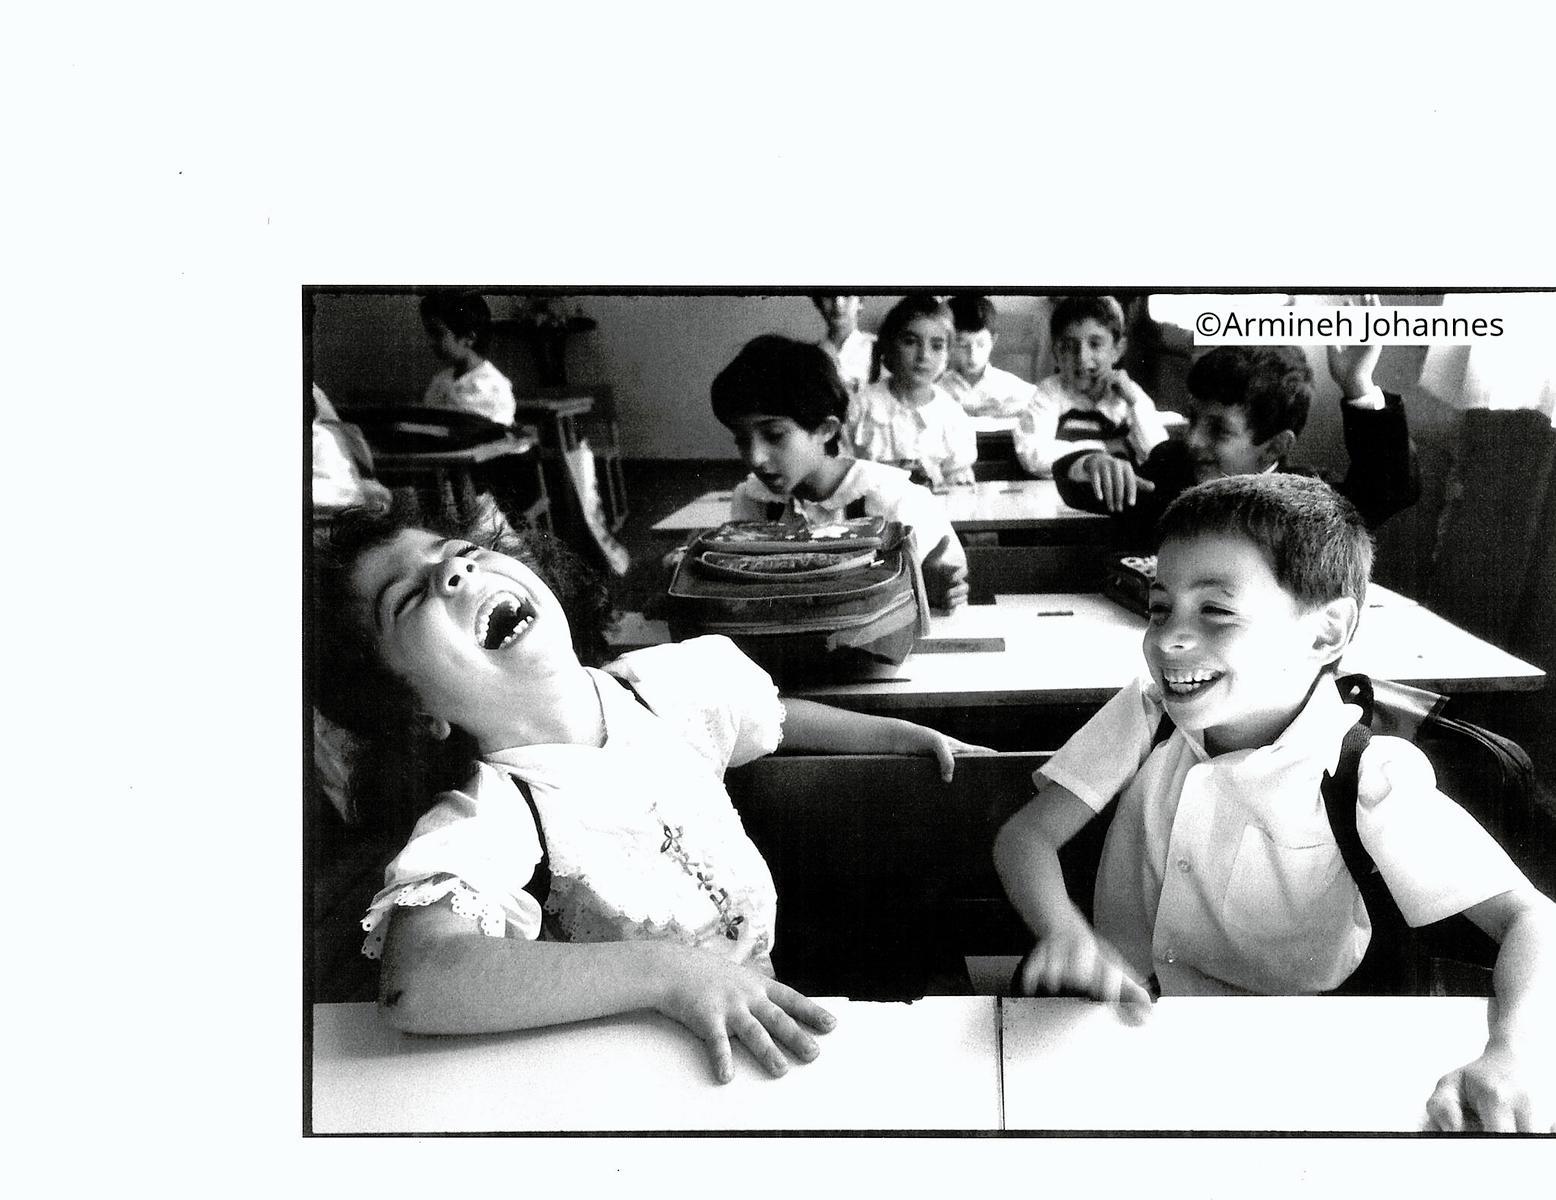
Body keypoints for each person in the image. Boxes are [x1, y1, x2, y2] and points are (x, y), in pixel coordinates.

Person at [312, 501, 988, 1082]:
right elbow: (418, 980)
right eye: (408, 599)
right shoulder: (494, 811)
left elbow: (772, 716)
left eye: (460, 551)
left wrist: (894, 734)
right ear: (413, 709)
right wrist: (667, 972)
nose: (454, 571)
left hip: (758, 1004)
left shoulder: (661, 690)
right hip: (643, 1066)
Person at [993, 474, 1556, 1132]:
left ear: (1325, 634)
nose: (1168, 640)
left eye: (1216, 611)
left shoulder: (1366, 773)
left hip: (1293, 1067)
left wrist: (1515, 1051)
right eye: (1159, 608)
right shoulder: (1147, 713)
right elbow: (1026, 839)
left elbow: (1533, 920)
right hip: (1121, 1033)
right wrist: (1064, 930)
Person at [1054, 328, 1420, 545]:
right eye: (1193, 419)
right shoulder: (1171, 468)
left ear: (1274, 447)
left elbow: (1389, 490)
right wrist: (1089, 464)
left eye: (1219, 430)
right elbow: (1081, 487)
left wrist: (1358, 386)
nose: (1194, 440)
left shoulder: (1305, 500)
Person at [712, 335, 969, 610]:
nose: (755, 457)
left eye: (774, 435)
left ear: (826, 429)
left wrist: (931, 590)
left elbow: (948, 587)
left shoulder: (896, 500)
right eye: (742, 439)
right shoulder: (753, 500)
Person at [1013, 295, 1169, 478]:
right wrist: (1103, 450)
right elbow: (1034, 456)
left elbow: (1157, 454)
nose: (1082, 357)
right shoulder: (1049, 393)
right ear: (1056, 353)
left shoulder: (1131, 395)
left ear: (1117, 350)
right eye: (1069, 346)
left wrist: (1134, 404)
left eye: (1095, 344)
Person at [849, 293, 977, 488]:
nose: (924, 355)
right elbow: (844, 475)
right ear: (890, 345)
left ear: (947, 354)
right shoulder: (861, 408)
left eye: (937, 346)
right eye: (910, 341)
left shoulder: (952, 417)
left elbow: (959, 483)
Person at [418, 290, 517, 427]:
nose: (430, 342)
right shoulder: (441, 381)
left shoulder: (492, 387)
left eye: (437, 334)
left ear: (469, 338)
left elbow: (493, 436)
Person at [941, 295, 1038, 418]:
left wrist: (1007, 412)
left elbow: (1041, 402)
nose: (973, 355)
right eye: (963, 345)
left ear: (993, 340)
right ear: (949, 343)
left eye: (981, 344)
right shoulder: (939, 387)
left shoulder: (1010, 385)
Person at [812, 295, 875, 397]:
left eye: (846, 295)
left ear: (860, 302)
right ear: (818, 304)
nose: (838, 303)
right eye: (829, 295)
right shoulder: (811, 356)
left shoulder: (877, 349)